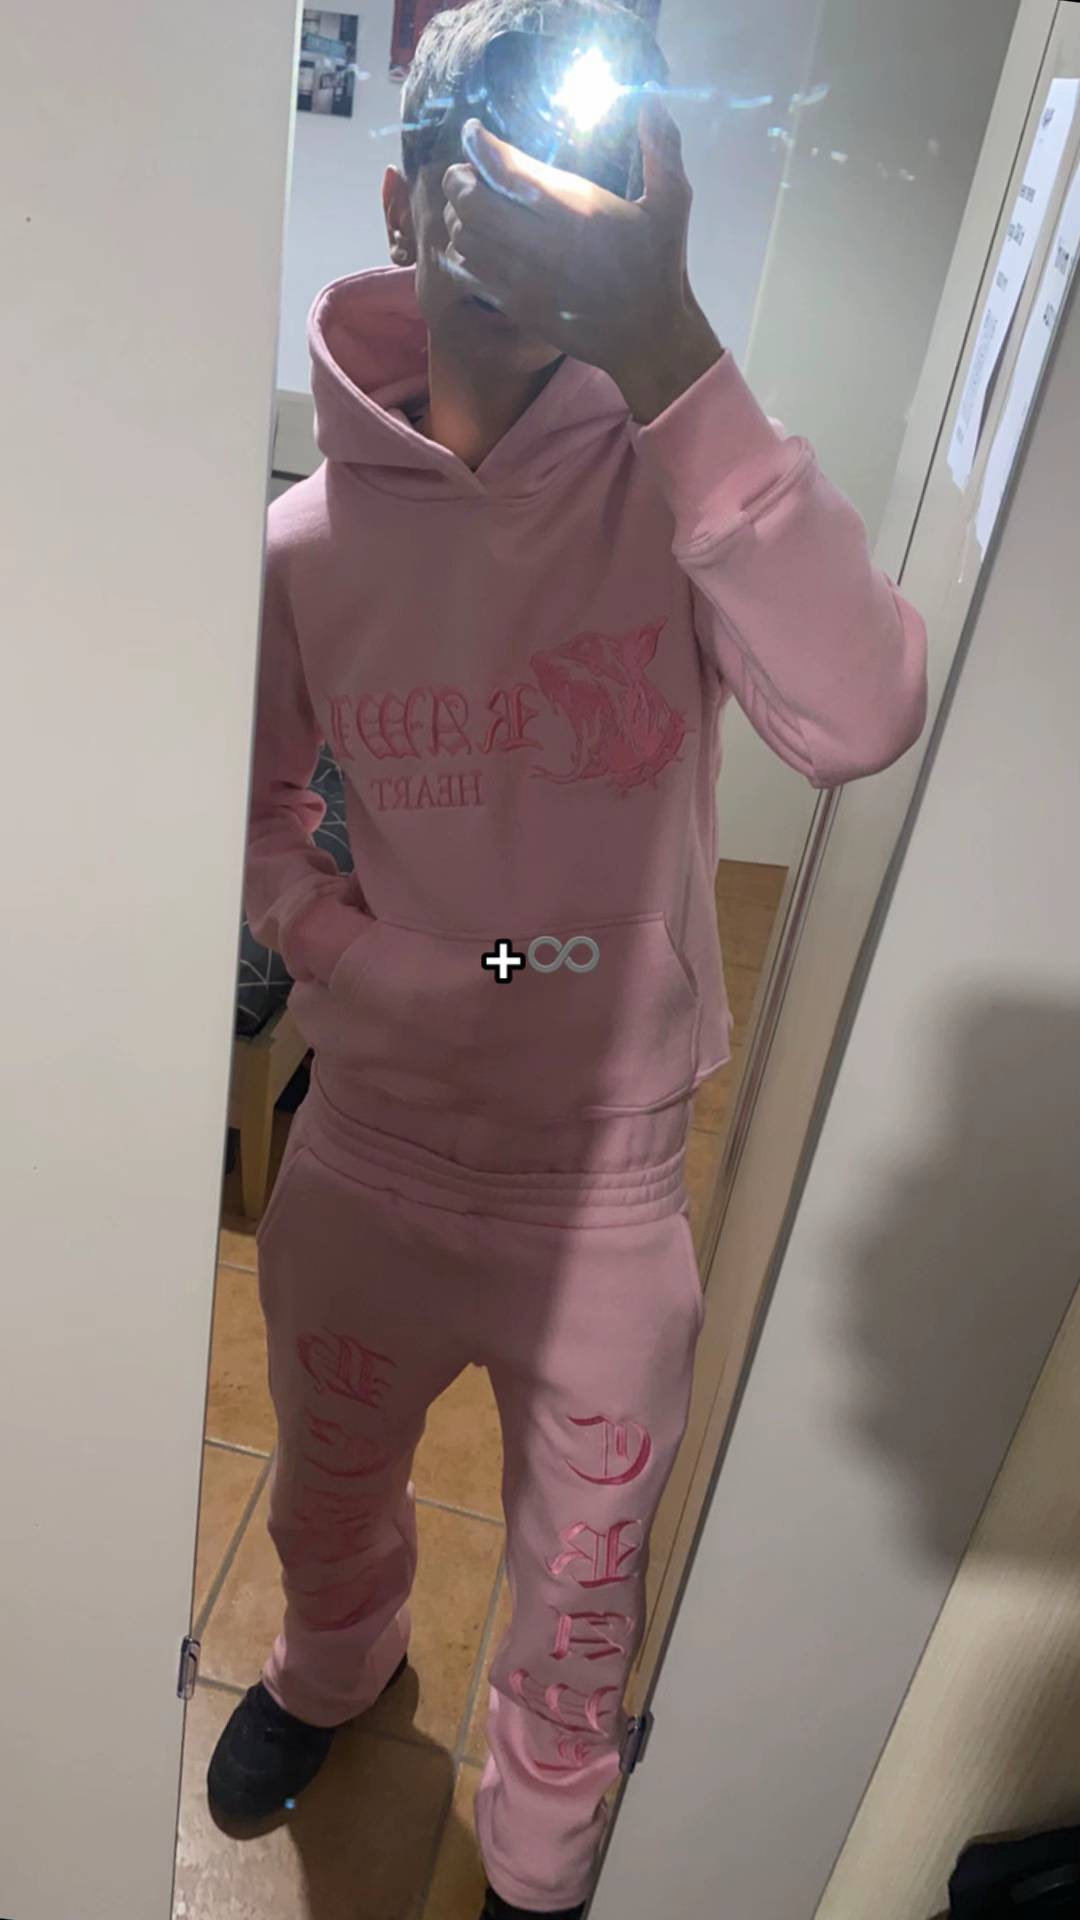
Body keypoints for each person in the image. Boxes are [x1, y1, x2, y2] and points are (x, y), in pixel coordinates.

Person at [207, 3, 929, 1914]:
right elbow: (255, 826)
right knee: (327, 1490)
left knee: (582, 1596)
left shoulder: (685, 491)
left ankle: (540, 1854)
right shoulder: (302, 547)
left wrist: (672, 349)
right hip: (369, 1146)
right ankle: (331, 1668)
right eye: (485, 146)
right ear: (401, 201)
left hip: (600, 1188)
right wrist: (379, 968)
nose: (532, 193)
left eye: (577, 153)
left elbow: (860, 716)